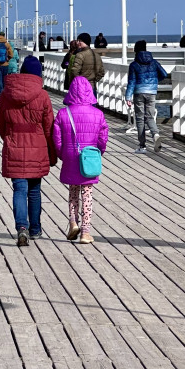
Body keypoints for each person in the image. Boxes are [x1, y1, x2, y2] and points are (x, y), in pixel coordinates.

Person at [0, 56, 55, 246]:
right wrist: (51, 151)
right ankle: (35, 229)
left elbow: (0, 121)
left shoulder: (6, 94)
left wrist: (8, 137)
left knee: (19, 189)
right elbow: (49, 127)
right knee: (34, 191)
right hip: (37, 148)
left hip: (14, 146)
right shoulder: (43, 96)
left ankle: (22, 227)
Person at [52, 76, 109, 244]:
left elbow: (57, 138)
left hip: (70, 156)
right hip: (89, 157)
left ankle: (72, 222)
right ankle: (85, 232)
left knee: (73, 192)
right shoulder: (98, 114)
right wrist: (98, 153)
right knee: (87, 193)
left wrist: (63, 154)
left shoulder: (63, 113)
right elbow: (103, 138)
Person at [125, 39, 168, 153]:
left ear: (135, 50)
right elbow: (164, 74)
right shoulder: (154, 62)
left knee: (140, 118)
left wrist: (128, 97)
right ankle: (155, 134)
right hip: (152, 92)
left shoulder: (134, 64)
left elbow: (131, 82)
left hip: (139, 92)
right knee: (149, 116)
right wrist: (154, 81)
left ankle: (142, 146)